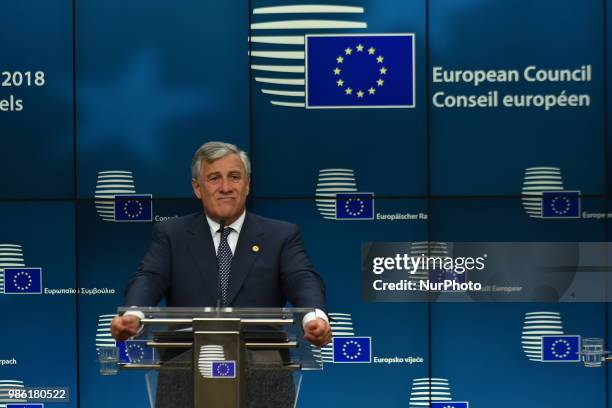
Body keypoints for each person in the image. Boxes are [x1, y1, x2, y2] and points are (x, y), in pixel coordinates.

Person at [111, 141, 331, 347]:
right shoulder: (172, 234)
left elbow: (302, 278)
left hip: (264, 366)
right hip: (185, 366)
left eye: (234, 177)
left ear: (247, 185)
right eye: (214, 178)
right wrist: (134, 314)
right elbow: (149, 277)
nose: (226, 187)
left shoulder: (281, 235)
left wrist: (314, 318)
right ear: (197, 188)